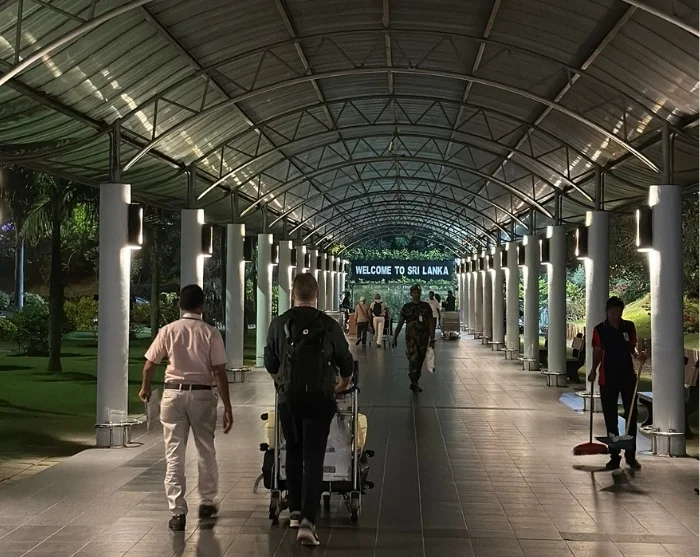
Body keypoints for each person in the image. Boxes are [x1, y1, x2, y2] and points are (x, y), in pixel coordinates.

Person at [264, 273, 353, 546]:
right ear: (317, 294)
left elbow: (270, 362)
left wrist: (282, 382)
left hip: (289, 399)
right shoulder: (328, 324)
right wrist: (342, 384)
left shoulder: (279, 323)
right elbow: (345, 361)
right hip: (320, 398)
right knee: (314, 458)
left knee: (293, 451)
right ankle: (308, 522)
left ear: (293, 294)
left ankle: (294, 511)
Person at [140, 285, 233, 532]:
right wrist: (228, 407)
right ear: (202, 305)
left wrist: (145, 388)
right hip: (202, 394)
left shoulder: (168, 330)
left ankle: (177, 511)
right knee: (205, 449)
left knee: (174, 453)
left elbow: (150, 365)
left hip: (172, 394)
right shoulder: (210, 332)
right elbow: (219, 372)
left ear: (180, 304)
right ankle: (207, 502)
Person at [588, 296, 646, 471]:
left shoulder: (629, 326)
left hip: (627, 376)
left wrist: (638, 355)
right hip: (608, 378)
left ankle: (630, 455)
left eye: (618, 313)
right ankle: (614, 455)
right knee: (610, 417)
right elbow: (597, 351)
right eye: (612, 313)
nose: (615, 316)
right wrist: (593, 370)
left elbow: (632, 347)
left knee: (631, 415)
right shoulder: (600, 329)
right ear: (607, 312)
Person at [392, 284, 435, 392]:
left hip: (423, 338)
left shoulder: (426, 307)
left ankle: (415, 379)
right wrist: (395, 337)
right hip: (411, 339)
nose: (416, 295)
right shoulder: (406, 307)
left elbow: (430, 321)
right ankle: (413, 381)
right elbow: (400, 323)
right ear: (411, 294)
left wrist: (432, 337)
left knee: (420, 359)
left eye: (418, 293)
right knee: (412, 359)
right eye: (414, 293)